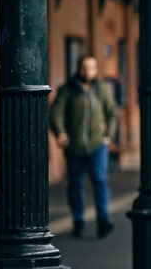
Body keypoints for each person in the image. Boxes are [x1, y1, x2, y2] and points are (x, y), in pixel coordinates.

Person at [49, 55, 118, 239]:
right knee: (75, 185)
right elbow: (56, 113)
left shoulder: (100, 89)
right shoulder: (67, 90)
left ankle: (104, 219)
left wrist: (108, 136)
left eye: (92, 67)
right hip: (75, 148)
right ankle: (78, 220)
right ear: (78, 68)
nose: (88, 71)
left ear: (96, 70)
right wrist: (60, 132)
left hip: (98, 145)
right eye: (85, 67)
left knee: (100, 180)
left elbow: (112, 113)